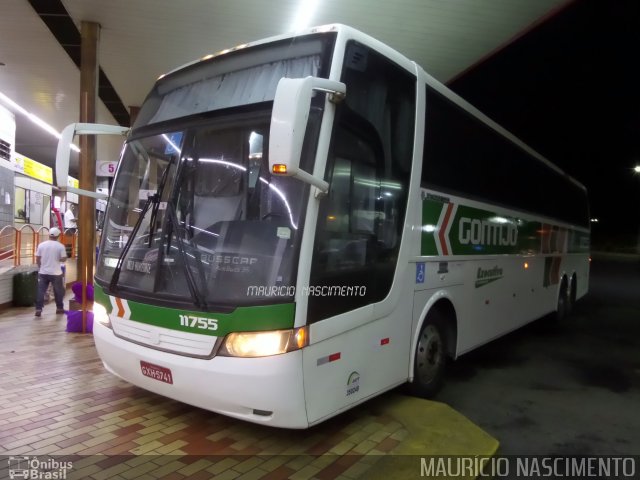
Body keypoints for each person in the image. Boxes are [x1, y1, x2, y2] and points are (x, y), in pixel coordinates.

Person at [35, 227, 67, 317]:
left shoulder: (41, 245)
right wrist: (59, 258)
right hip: (56, 273)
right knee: (58, 291)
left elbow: (37, 258)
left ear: (49, 235)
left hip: (43, 272)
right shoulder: (60, 246)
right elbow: (64, 259)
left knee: (41, 291)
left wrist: (40, 267)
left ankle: (38, 309)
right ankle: (59, 308)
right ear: (58, 236)